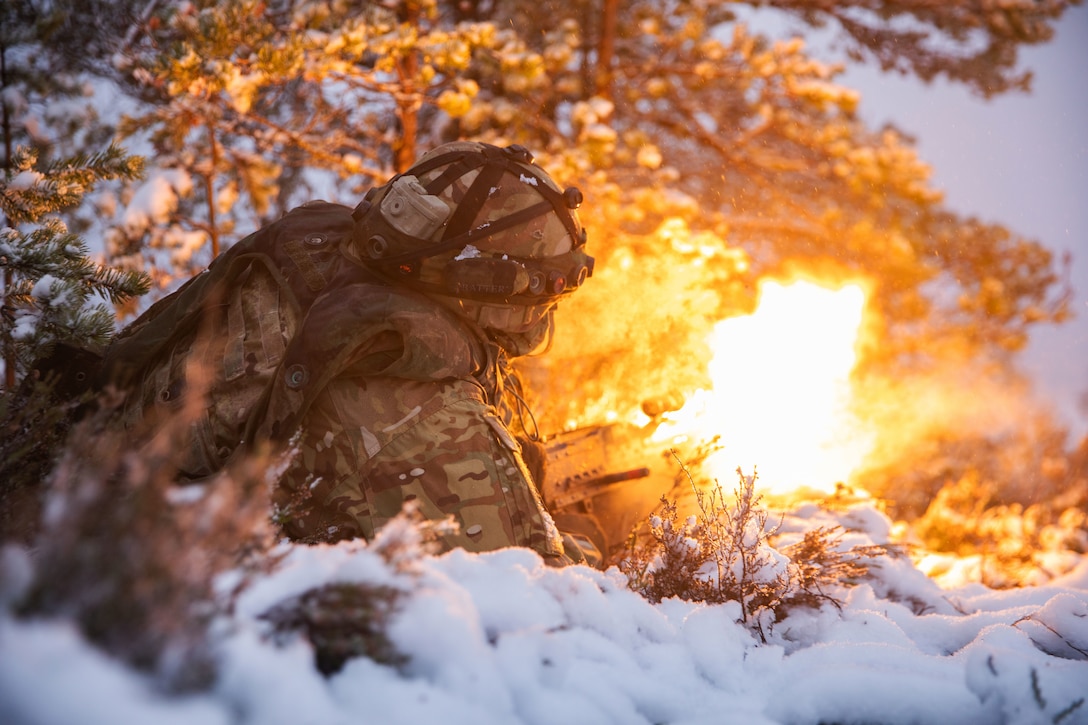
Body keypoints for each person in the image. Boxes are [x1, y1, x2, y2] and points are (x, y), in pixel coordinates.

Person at [99, 141, 596, 565]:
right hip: (172, 596)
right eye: (540, 298)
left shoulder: (314, 252)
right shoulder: (429, 410)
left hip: (99, 510)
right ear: (486, 283)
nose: (540, 319)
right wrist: (587, 544)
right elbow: (524, 590)